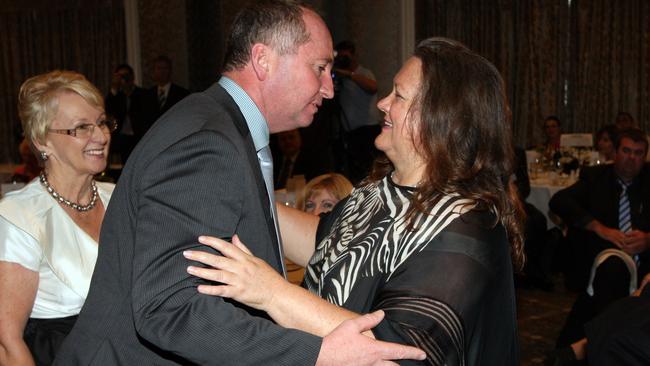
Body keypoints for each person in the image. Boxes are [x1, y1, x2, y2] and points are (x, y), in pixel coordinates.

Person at [53, 1, 425, 365]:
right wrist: (316, 353)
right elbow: (168, 306)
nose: (329, 89)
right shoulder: (207, 142)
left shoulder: (221, 127)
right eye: (320, 68)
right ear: (264, 60)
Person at [186, 37, 525, 365]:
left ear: (441, 118)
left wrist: (271, 292)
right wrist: (240, 196)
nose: (382, 103)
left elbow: (391, 353)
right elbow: (329, 244)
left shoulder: (465, 227)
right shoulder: (382, 187)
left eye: (399, 96)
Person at [0, 70, 115, 365]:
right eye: (81, 128)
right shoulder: (20, 216)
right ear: (42, 141)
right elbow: (7, 343)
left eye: (102, 122)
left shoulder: (118, 197)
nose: (101, 136)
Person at [549, 128, 650, 346]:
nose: (632, 158)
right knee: (611, 271)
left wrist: (649, 239)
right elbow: (559, 201)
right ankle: (605, 345)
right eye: (626, 151)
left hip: (644, 264)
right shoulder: (596, 177)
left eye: (639, 153)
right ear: (614, 152)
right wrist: (599, 228)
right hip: (603, 261)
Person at [333, 40, 380, 184]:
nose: (342, 60)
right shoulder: (339, 78)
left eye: (345, 57)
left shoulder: (363, 73)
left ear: (354, 56)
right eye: (340, 57)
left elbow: (373, 87)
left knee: (369, 171)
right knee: (353, 172)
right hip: (349, 133)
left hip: (367, 131)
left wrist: (348, 74)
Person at [105, 63, 147, 164]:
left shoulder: (143, 94)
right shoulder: (116, 96)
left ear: (132, 77)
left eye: (126, 75)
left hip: (139, 137)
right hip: (121, 138)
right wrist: (114, 88)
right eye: (120, 76)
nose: (124, 79)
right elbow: (107, 110)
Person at [142, 55, 190, 132]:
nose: (162, 71)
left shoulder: (182, 94)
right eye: (159, 68)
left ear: (170, 71)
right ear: (154, 71)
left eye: (165, 68)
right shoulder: (147, 95)